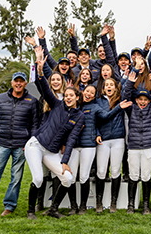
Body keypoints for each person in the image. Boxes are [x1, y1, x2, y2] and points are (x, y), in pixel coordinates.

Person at [24, 55, 85, 219]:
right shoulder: (56, 104)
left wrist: (64, 161)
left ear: (77, 98)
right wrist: (40, 71)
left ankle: (53, 209)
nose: (68, 98)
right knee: (37, 178)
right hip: (36, 145)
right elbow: (44, 86)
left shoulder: (79, 116)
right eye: (66, 96)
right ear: (64, 97)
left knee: (68, 178)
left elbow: (71, 139)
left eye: (72, 96)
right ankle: (30, 211)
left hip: (51, 152)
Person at [0, 72, 39, 217]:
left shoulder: (32, 101)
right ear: (11, 83)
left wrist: (30, 143)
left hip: (21, 145)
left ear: (25, 83)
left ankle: (9, 206)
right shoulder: (1, 98)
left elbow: (35, 125)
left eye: (21, 81)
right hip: (2, 143)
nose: (18, 84)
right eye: (16, 81)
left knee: (16, 178)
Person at [123, 67, 151, 215]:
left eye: (145, 99)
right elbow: (125, 96)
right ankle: (131, 205)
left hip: (147, 146)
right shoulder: (131, 108)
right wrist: (130, 82)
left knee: (146, 175)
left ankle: (145, 205)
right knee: (133, 175)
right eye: (140, 99)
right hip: (133, 146)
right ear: (136, 100)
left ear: (148, 101)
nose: (142, 102)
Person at [95, 78, 131, 213]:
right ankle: (99, 203)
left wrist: (131, 72)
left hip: (118, 139)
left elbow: (127, 87)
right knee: (101, 171)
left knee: (116, 171)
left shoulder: (121, 99)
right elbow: (96, 119)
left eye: (112, 85)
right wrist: (97, 133)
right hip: (103, 140)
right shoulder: (98, 101)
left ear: (116, 88)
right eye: (106, 85)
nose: (109, 87)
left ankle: (113, 203)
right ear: (103, 89)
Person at [66, 85, 99, 216]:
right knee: (71, 177)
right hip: (73, 146)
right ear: (82, 93)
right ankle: (73, 206)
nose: (89, 94)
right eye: (87, 91)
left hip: (88, 146)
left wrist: (97, 134)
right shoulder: (74, 107)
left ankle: (83, 206)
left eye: (92, 92)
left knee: (84, 176)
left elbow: (97, 124)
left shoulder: (94, 107)